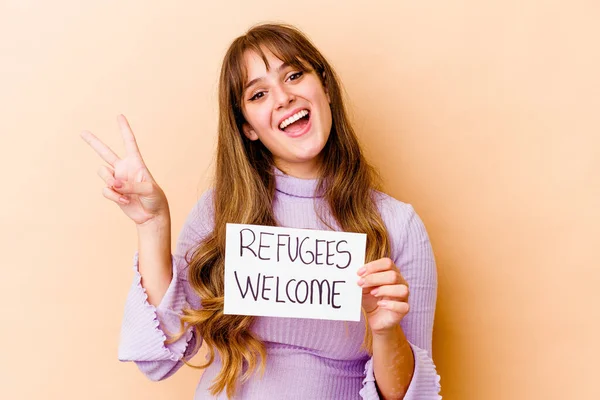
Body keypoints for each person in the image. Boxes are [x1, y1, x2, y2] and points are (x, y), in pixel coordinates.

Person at [81, 23, 441, 400]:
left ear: (326, 88)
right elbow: (158, 360)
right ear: (248, 128)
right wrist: (154, 225)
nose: (283, 98)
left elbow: (409, 396)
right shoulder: (219, 211)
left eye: (294, 75)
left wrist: (385, 331)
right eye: (258, 94)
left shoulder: (398, 226)